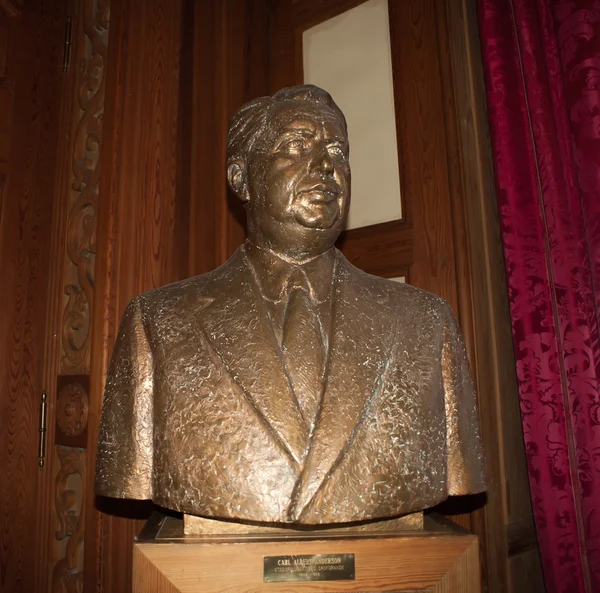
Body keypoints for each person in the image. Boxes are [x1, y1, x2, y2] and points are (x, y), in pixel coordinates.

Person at [95, 85, 486, 525]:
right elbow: (128, 473)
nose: (326, 165)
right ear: (241, 177)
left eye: (337, 149)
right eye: (296, 145)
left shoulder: (425, 322)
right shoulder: (158, 321)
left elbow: (458, 467)